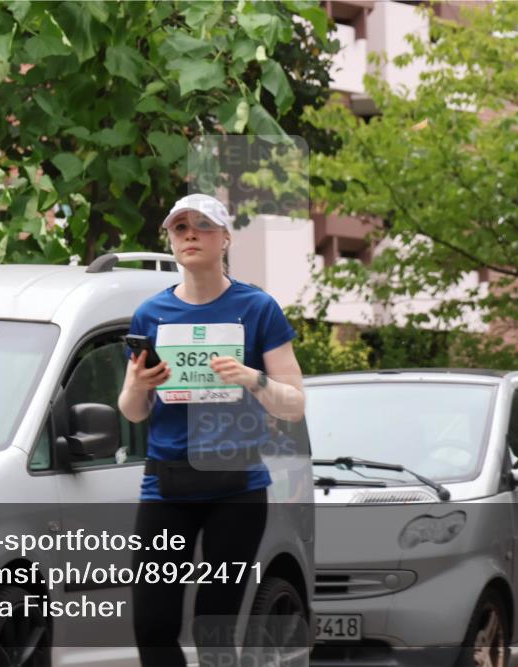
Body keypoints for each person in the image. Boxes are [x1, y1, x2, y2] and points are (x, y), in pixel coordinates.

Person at [117, 193, 305, 667]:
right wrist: (139, 385)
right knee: (153, 625)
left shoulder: (257, 308)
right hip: (167, 483)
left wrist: (252, 378)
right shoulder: (150, 315)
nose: (190, 235)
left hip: (235, 487)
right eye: (179, 228)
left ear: (225, 239)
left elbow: (295, 405)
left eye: (202, 226)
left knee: (213, 622)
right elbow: (133, 412)